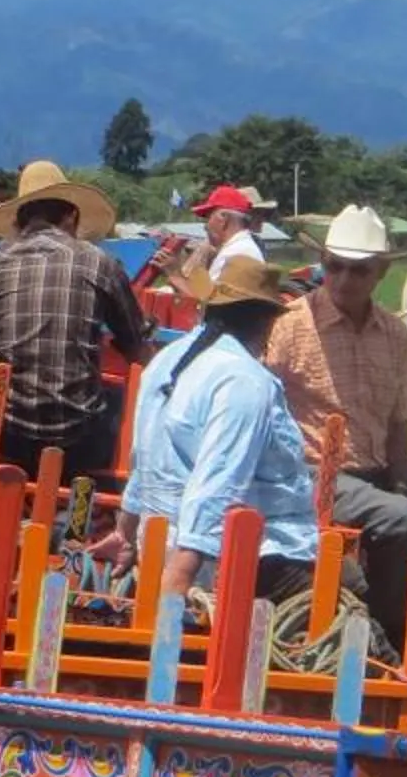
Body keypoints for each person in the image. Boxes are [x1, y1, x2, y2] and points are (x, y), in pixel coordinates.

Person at [264, 203, 407, 640]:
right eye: (335, 267)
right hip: (312, 472)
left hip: (377, 469)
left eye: (359, 270)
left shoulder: (392, 332)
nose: (345, 279)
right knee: (401, 517)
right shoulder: (289, 326)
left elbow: (399, 421)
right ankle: (390, 636)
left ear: (380, 272)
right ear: (322, 264)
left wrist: (401, 482)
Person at [121, 254, 322, 608]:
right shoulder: (244, 380)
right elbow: (218, 481)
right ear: (267, 322)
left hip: (159, 541)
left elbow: (142, 464)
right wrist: (180, 575)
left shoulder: (166, 361)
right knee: (356, 607)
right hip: (240, 555)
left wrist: (125, 533)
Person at [0, 158, 153, 479]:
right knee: (120, 399)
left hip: (3, 428)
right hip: (75, 434)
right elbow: (136, 346)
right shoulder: (98, 263)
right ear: (71, 216)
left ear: (19, 218)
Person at [192, 184, 268, 272]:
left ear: (223, 218)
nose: (206, 226)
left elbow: (210, 286)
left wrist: (176, 271)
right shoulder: (239, 247)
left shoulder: (235, 253)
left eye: (209, 217)